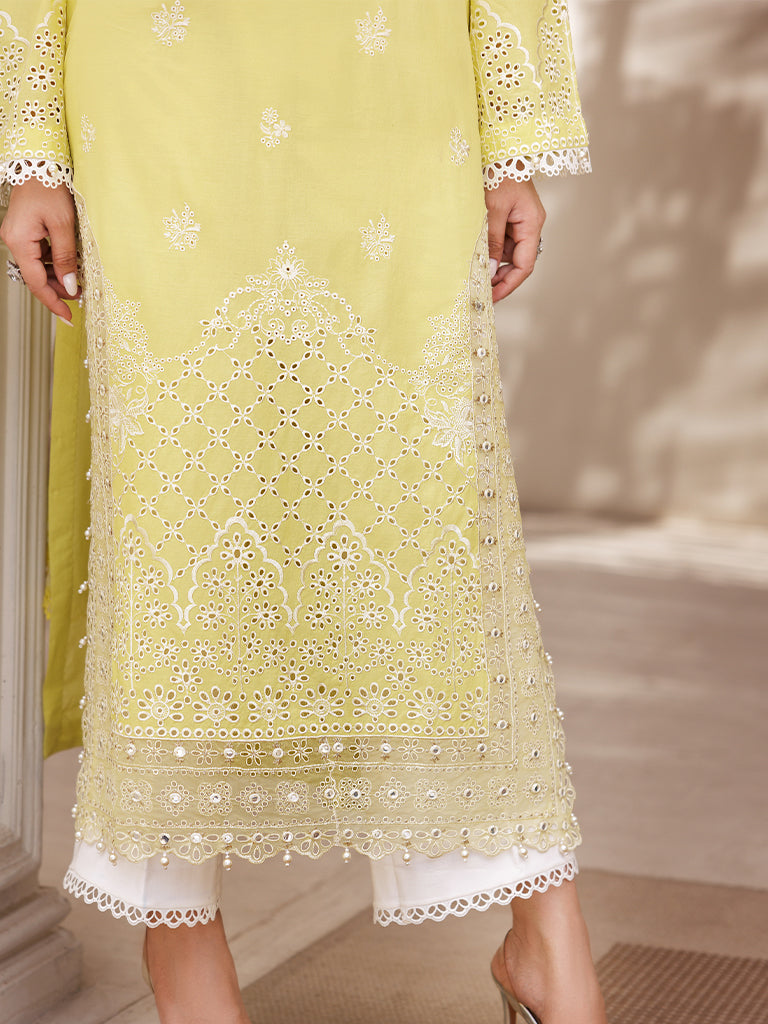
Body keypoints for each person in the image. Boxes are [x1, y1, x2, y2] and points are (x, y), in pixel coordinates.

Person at [1, 2, 607, 1022]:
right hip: (161, 81)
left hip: (393, 70)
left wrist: (513, 139)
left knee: (427, 504)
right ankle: (181, 944)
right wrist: (32, 153)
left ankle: (549, 938)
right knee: (181, 491)